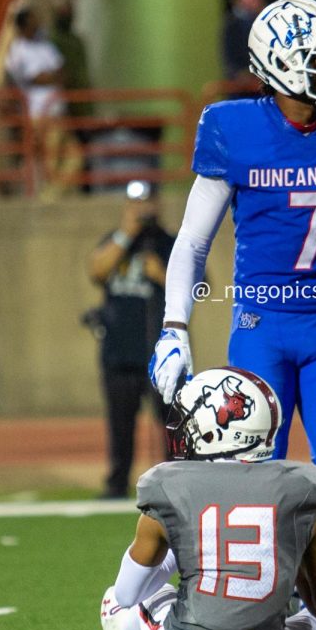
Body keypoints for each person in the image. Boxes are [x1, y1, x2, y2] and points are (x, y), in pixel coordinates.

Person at [149, 0, 316, 551]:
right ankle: (263, 597)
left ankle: (312, 595)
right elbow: (192, 241)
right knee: (255, 476)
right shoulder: (232, 127)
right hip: (262, 326)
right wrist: (174, 327)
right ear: (283, 65)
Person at [100, 366, 316, 630]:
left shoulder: (169, 486)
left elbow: (127, 594)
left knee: (138, 598)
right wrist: (289, 549)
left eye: (193, 418)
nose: (186, 427)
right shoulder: (303, 490)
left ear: (217, 429)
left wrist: (181, 553)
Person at [88, 180, 176, 499]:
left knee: (170, 425)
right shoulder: (116, 240)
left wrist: (161, 275)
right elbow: (97, 271)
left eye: (147, 201)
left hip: (162, 354)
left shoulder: (170, 243)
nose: (142, 208)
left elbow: (201, 289)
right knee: (120, 425)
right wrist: (126, 234)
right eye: (135, 202)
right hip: (119, 351)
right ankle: (116, 483)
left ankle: (174, 483)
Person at [4, 5, 81, 196]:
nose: (37, 22)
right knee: (51, 159)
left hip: (58, 110)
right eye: (33, 19)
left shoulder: (45, 45)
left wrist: (51, 77)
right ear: (24, 24)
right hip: (39, 113)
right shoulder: (18, 51)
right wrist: (50, 77)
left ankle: (55, 194)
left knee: (76, 155)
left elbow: (62, 72)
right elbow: (34, 78)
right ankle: (50, 197)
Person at [49, 0, 95, 186]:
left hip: (83, 105)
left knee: (84, 152)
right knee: (60, 156)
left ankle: (85, 188)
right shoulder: (53, 40)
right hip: (64, 107)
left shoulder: (76, 41)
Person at [221, 0, 267, 84]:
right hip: (242, 85)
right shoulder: (232, 24)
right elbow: (230, 61)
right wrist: (242, 74)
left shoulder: (264, 19)